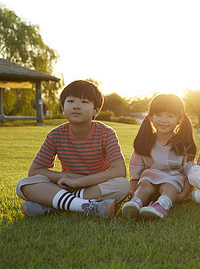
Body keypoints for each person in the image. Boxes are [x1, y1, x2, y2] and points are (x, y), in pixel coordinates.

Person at [16, 80, 130, 218]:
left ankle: (52, 204)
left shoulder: (106, 133)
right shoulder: (55, 135)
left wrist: (79, 181)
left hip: (95, 185)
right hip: (65, 185)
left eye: (84, 102)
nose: (76, 106)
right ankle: (86, 206)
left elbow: (119, 171)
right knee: (23, 184)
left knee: (123, 185)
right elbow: (34, 171)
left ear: (96, 110)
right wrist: (67, 178)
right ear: (63, 108)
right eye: (70, 101)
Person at [121, 94, 196, 220]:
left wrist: (183, 195)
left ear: (180, 120)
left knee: (168, 185)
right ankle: (136, 202)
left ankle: (161, 206)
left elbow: (190, 171)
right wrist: (133, 191)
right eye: (159, 115)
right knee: (144, 184)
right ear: (151, 117)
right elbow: (135, 167)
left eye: (170, 116)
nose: (163, 120)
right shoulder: (145, 141)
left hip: (172, 179)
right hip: (150, 178)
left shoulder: (183, 144)